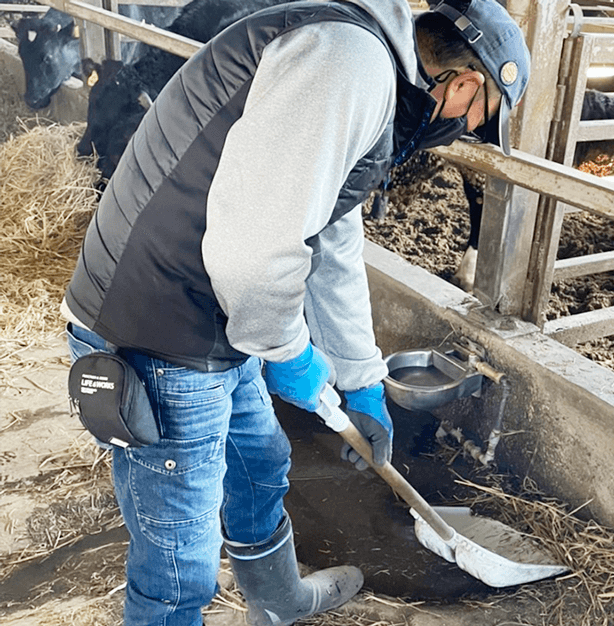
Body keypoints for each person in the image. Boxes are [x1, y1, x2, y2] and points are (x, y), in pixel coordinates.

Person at [60, 0, 530, 624]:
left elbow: (330, 237)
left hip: (212, 305)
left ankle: (278, 599)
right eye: (479, 118)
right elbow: (253, 250)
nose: (469, 129)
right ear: (467, 83)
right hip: (158, 321)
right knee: (179, 560)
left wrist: (361, 380)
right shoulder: (347, 64)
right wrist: (289, 351)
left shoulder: (372, 73)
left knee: (260, 463)